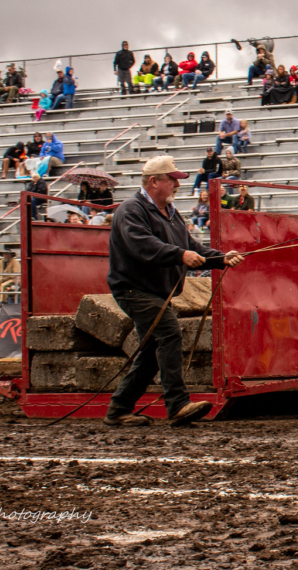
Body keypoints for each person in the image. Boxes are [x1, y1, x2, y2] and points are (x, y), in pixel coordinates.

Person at [104, 155, 244, 427]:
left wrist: (221, 258)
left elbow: (193, 247)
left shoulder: (170, 212)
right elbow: (142, 245)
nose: (177, 185)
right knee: (169, 332)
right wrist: (180, 255)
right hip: (134, 290)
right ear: (154, 182)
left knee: (151, 352)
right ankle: (177, 404)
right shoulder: (131, 210)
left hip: (155, 292)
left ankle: (118, 409)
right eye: (172, 180)